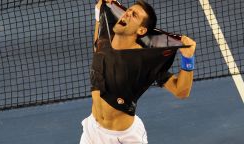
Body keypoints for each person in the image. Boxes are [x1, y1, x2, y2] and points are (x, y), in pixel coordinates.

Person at [80, 0, 196, 143]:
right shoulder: (107, 36)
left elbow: (181, 91)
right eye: (129, 10)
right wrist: (100, 14)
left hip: (124, 138)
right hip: (93, 130)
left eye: (134, 15)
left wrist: (188, 59)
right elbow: (98, 47)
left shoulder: (145, 61)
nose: (127, 14)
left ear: (141, 30)